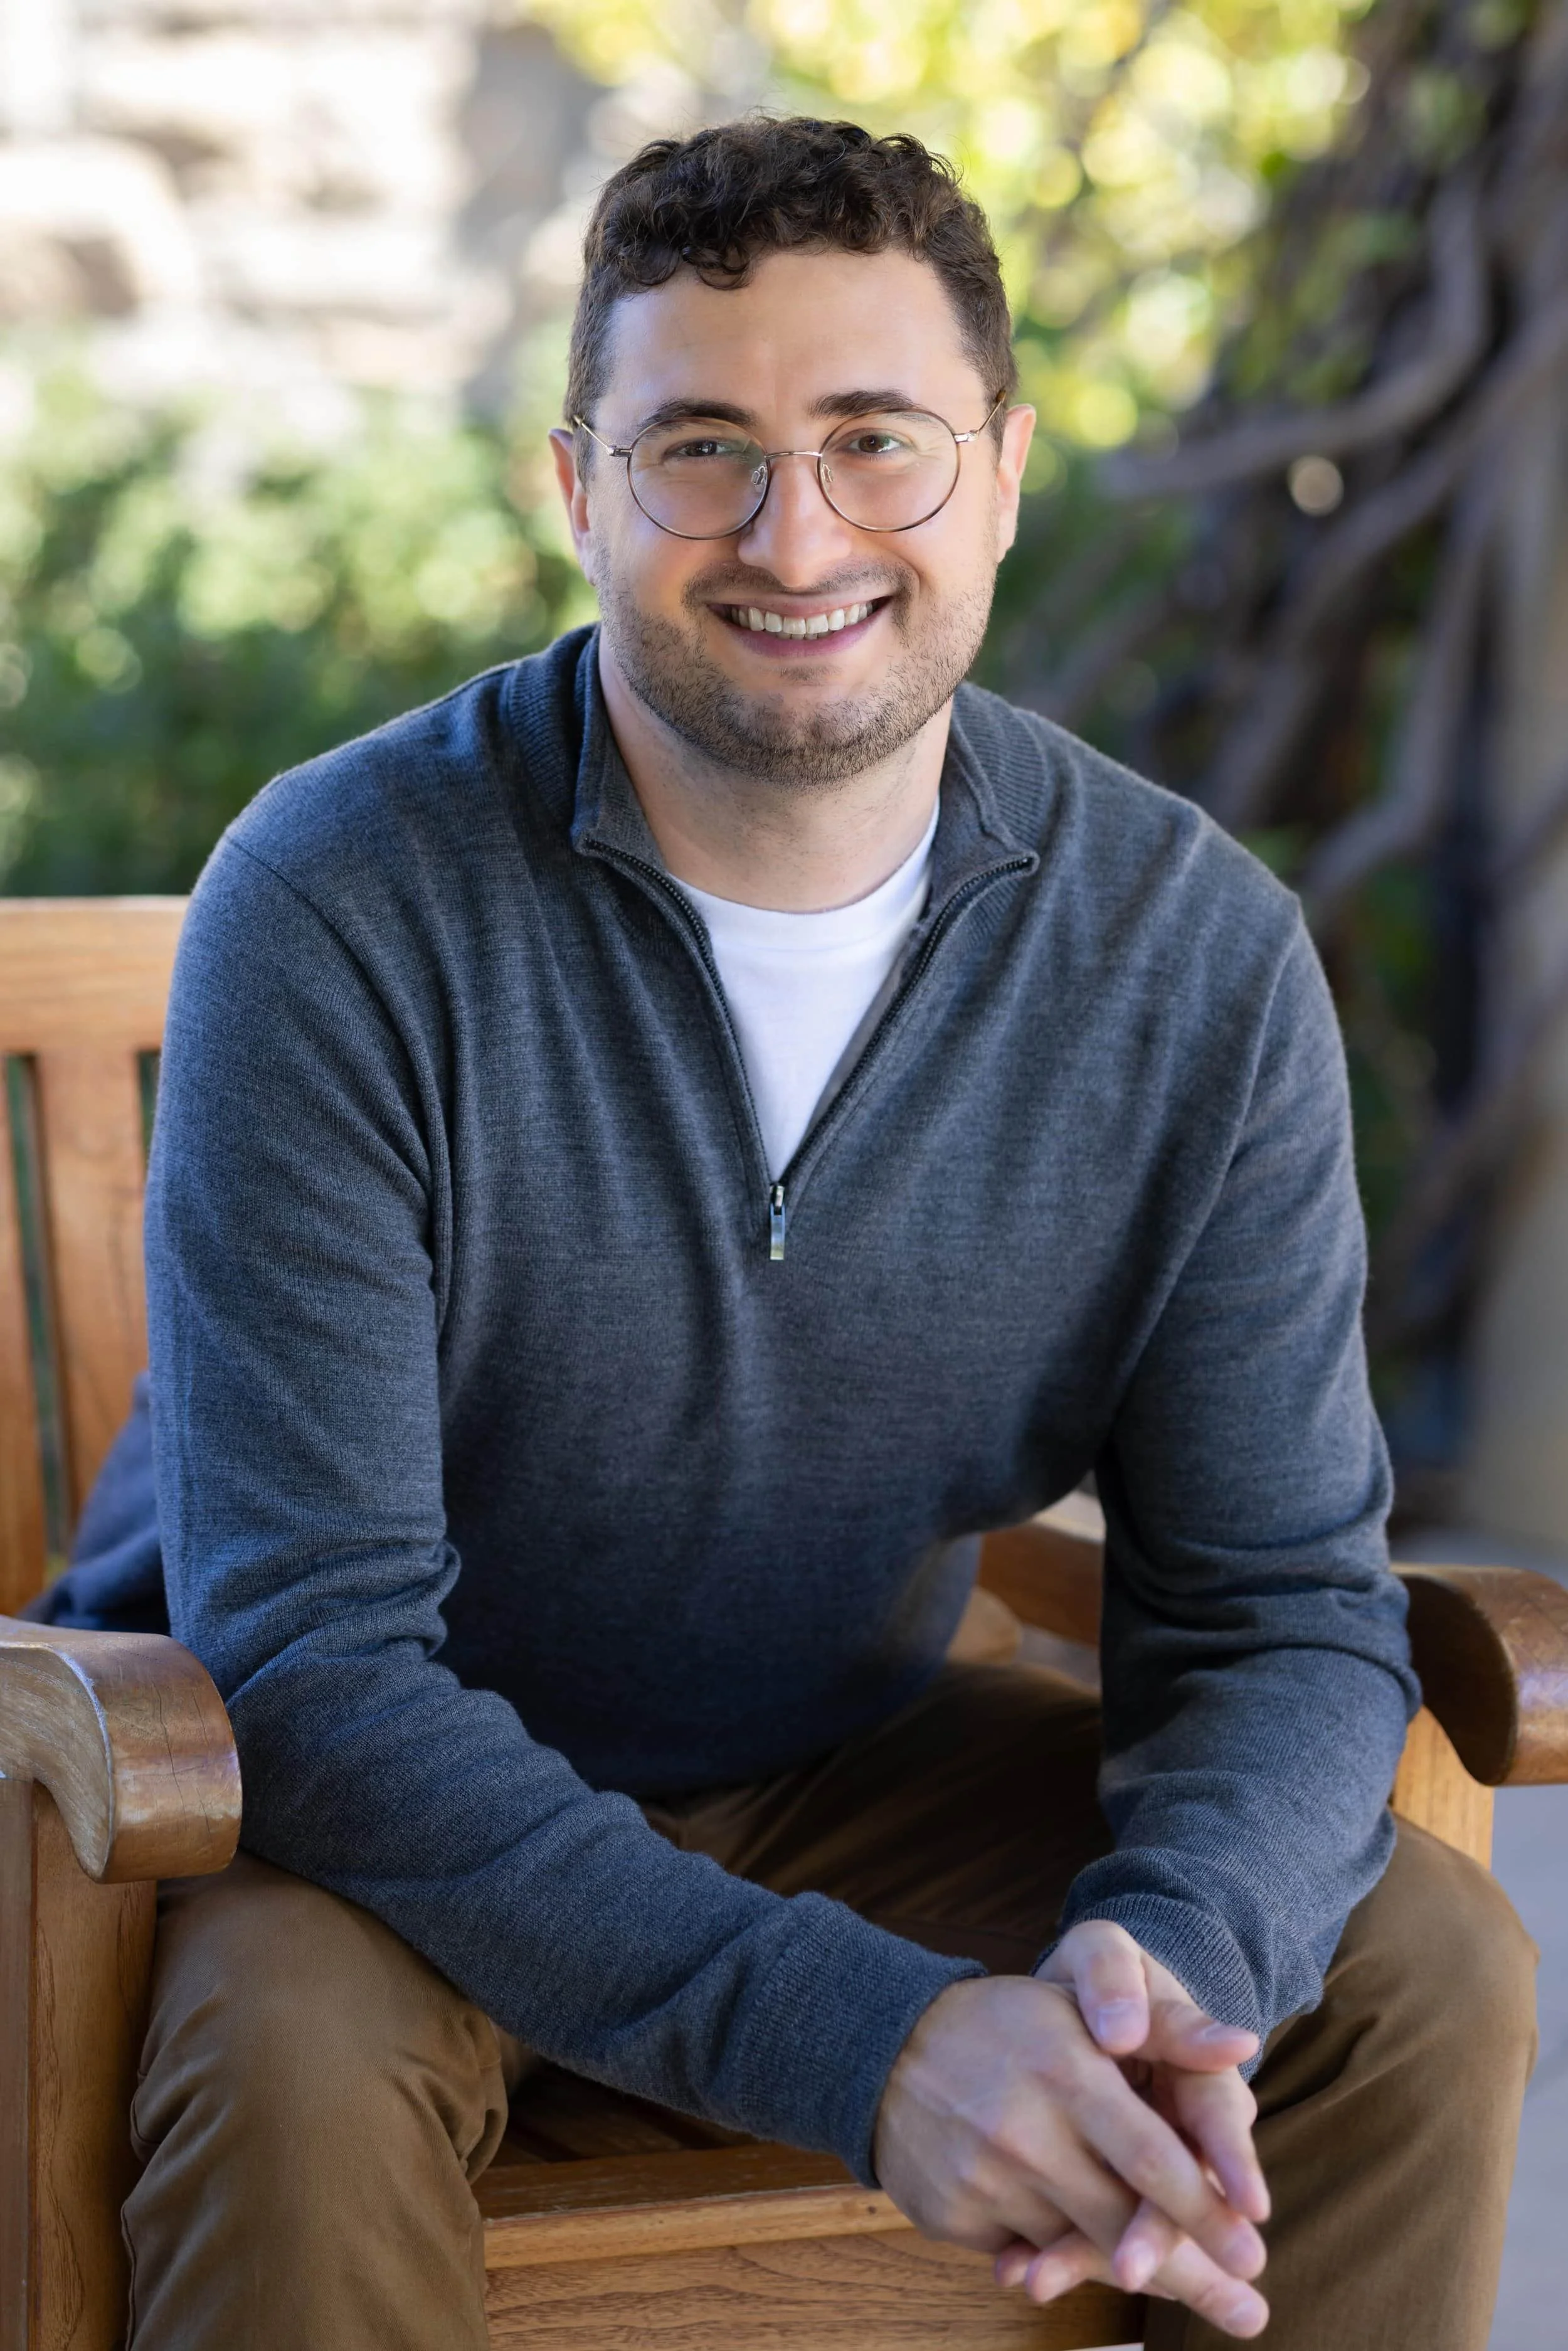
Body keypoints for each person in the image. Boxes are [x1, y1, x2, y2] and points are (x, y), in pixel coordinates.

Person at [38, 116, 1535, 2351]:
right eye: (700, 449)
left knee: (1410, 1969)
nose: (794, 531)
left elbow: (1278, 1609)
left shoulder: (1189, 954)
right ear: (579, 489)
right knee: (286, 2066)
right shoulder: (340, 901)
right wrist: (872, 2038)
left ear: (1006, 469)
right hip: (320, 1813)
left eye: (874, 442)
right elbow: (319, 1666)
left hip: (832, 1759)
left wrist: (1172, 1960)